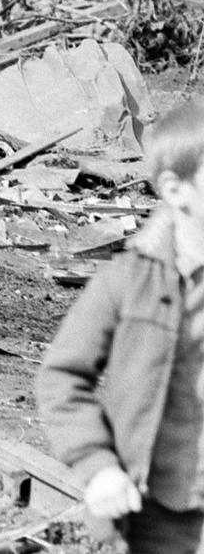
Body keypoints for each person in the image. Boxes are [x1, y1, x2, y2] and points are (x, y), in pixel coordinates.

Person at [36, 96, 204, 554]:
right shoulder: (129, 280)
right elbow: (61, 378)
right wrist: (98, 466)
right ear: (175, 190)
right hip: (165, 513)